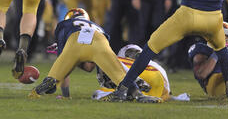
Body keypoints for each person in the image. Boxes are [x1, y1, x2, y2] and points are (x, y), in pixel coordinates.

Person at [28, 8, 159, 103]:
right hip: (99, 41)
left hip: (74, 41)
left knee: (52, 79)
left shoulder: (64, 25)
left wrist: (66, 94)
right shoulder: (97, 26)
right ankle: (137, 94)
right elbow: (90, 66)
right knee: (122, 78)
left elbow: (65, 69)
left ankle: (39, 90)